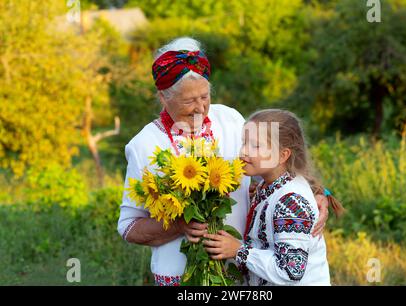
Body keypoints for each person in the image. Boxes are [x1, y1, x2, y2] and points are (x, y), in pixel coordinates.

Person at [117, 37, 330, 286]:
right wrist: (179, 225)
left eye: (205, 97)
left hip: (244, 273)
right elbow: (128, 226)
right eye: (189, 101)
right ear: (164, 97)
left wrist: (317, 194)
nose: (200, 109)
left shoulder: (229, 119)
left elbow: (274, 165)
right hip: (182, 277)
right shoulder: (143, 145)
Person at [203, 109, 344, 285]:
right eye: (244, 143)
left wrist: (239, 251)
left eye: (256, 146)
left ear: (283, 155)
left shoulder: (291, 201)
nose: (244, 151)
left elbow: (291, 271)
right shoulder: (267, 186)